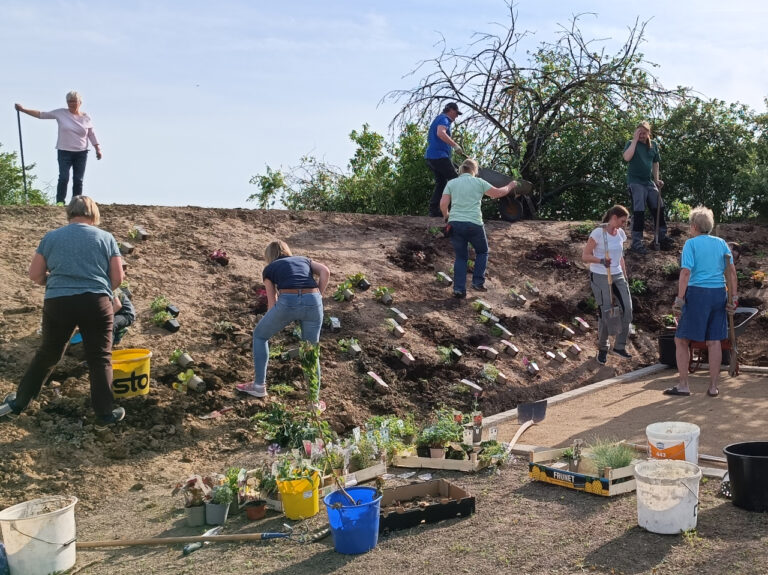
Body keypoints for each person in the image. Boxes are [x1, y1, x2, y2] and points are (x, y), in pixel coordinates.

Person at [0, 196, 125, 428]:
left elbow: (35, 275)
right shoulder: (106, 238)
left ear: (69, 213)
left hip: (58, 301)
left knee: (49, 353)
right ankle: (105, 414)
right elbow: (117, 277)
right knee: (100, 358)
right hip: (95, 302)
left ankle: (19, 403)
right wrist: (97, 285)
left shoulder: (51, 237)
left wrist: (57, 281)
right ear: (93, 213)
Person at [236, 240, 330, 398]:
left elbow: (272, 304)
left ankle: (259, 386)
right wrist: (318, 295)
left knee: (259, 336)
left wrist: (272, 320)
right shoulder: (304, 260)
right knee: (310, 350)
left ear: (269, 256)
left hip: (288, 300)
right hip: (314, 302)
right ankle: (314, 401)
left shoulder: (269, 269)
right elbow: (325, 271)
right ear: (287, 251)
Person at [666, 206, 737, 397]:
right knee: (714, 341)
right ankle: (713, 387)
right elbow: (731, 272)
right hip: (719, 293)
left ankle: (683, 385)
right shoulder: (722, 243)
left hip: (698, 293)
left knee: (681, 339)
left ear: (694, 226)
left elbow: (686, 272)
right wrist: (734, 298)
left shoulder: (691, 244)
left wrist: (680, 299)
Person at [439, 158, 518, 298]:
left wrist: (447, 217)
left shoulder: (451, 183)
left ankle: (458, 289)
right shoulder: (479, 182)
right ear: (474, 170)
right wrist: (511, 185)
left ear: (461, 169)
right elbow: (499, 193)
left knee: (461, 257)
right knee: (482, 251)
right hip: (474, 223)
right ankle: (477, 282)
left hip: (455, 223)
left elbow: (443, 204)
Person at [15, 91, 102, 206]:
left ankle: (76, 203)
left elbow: (91, 133)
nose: (71, 103)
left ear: (80, 102)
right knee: (64, 177)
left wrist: (97, 148)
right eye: (69, 101)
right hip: (64, 151)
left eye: (74, 101)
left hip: (81, 152)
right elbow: (41, 115)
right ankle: (60, 202)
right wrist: (23, 110)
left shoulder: (86, 117)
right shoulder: (61, 113)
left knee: (78, 179)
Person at [581, 205, 634, 365]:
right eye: (622, 221)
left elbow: (620, 257)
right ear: (614, 218)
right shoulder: (598, 233)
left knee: (628, 309)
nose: (624, 225)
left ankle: (619, 346)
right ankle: (603, 348)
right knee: (607, 312)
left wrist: (624, 275)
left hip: (617, 275)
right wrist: (601, 261)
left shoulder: (620, 234)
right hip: (600, 275)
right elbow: (585, 256)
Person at [623, 121, 671, 254]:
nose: (642, 135)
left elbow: (655, 162)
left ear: (648, 133)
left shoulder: (653, 145)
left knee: (659, 206)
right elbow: (627, 157)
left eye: (644, 133)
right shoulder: (631, 143)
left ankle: (661, 236)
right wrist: (634, 140)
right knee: (639, 211)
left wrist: (656, 180)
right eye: (639, 132)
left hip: (648, 182)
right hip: (635, 182)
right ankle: (636, 243)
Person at [425, 102, 464, 217]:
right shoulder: (444, 119)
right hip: (439, 156)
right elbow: (440, 133)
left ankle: (434, 210)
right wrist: (455, 145)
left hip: (432, 157)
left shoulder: (439, 119)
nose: (456, 116)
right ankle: (456, 210)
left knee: (441, 182)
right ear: (450, 110)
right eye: (456, 113)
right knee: (455, 180)